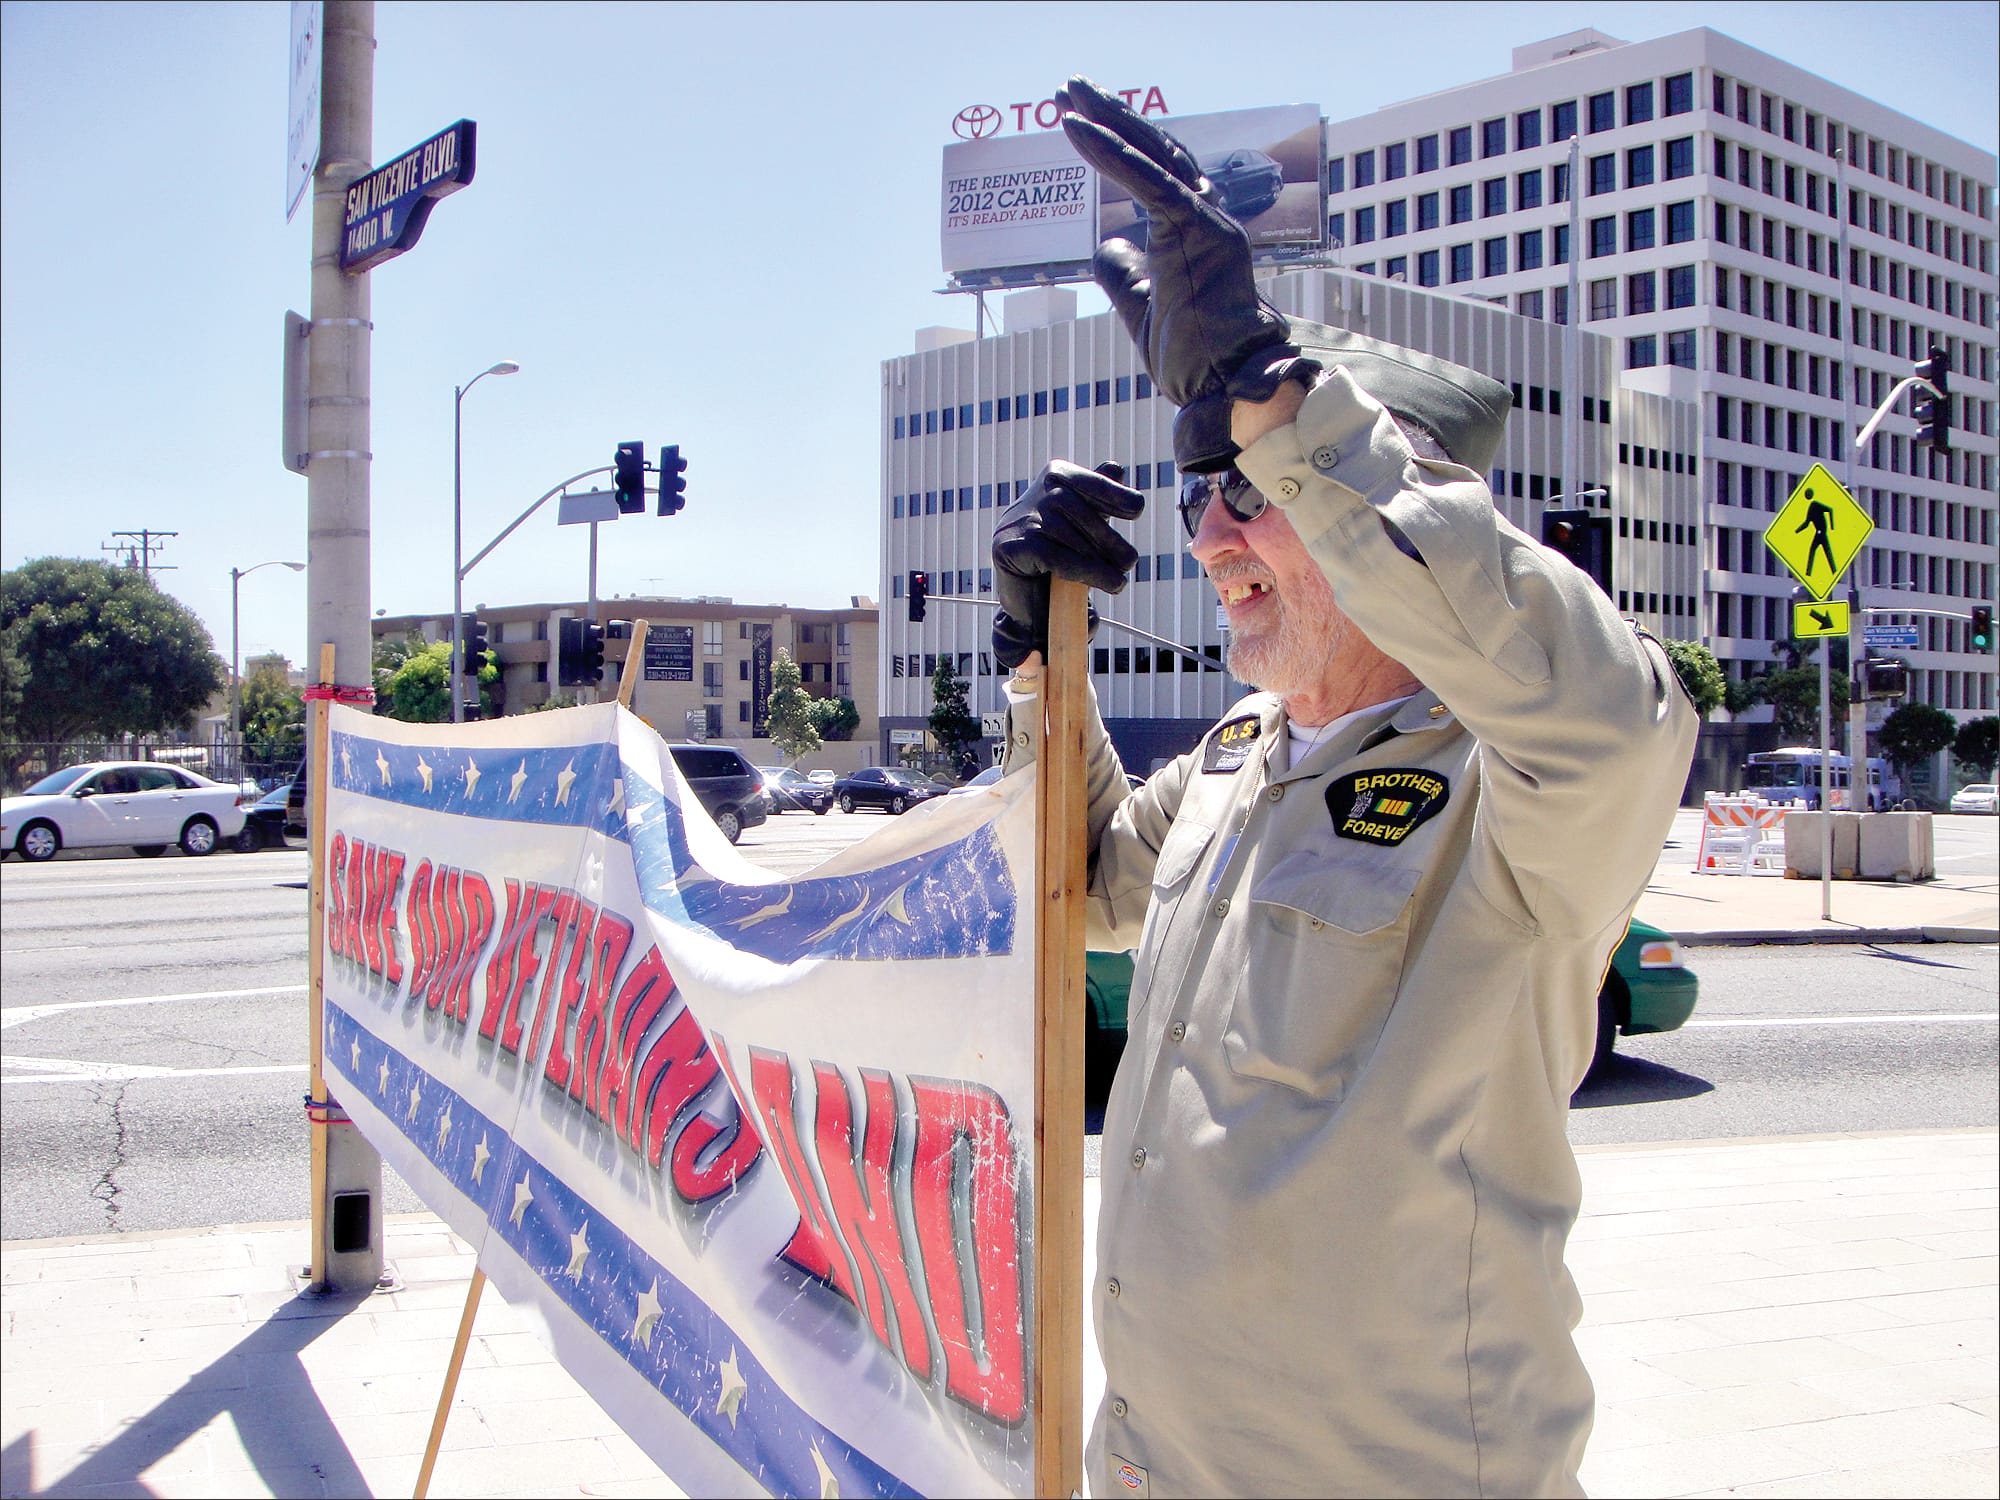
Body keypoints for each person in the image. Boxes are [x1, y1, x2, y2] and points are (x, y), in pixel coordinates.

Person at [989, 78, 1698, 1498]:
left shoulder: (1526, 787)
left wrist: (1277, 405)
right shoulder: (1244, 753)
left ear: (1388, 505)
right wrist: (1035, 664)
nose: (1207, 530)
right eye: (1202, 487)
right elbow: (1072, 894)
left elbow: (1615, 717)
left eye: (1251, 490)